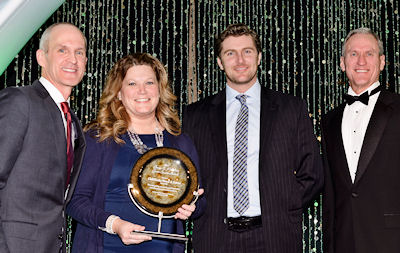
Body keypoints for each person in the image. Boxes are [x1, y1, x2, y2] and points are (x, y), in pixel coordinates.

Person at [183, 23, 323, 253]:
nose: (240, 60)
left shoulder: (291, 108)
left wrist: (284, 206)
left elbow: (313, 173)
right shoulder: (195, 114)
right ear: (219, 62)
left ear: (259, 57)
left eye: (247, 51)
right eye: (230, 53)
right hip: (215, 237)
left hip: (276, 236)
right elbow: (188, 175)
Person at [66, 53, 205, 253]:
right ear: (119, 93)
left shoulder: (181, 141)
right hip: (107, 247)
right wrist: (115, 224)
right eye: (131, 84)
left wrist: (192, 207)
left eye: (149, 82)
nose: (142, 90)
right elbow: (75, 201)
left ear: (160, 89)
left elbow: (199, 200)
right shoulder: (99, 137)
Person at [0, 22, 87, 252]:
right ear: (41, 57)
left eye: (80, 52)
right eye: (62, 50)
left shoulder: (71, 119)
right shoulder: (20, 101)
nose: (73, 59)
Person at [322, 28, 400, 253]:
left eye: (369, 53)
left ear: (382, 61)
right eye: (353, 54)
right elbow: (329, 194)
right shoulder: (329, 121)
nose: (361, 61)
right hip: (344, 240)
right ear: (342, 63)